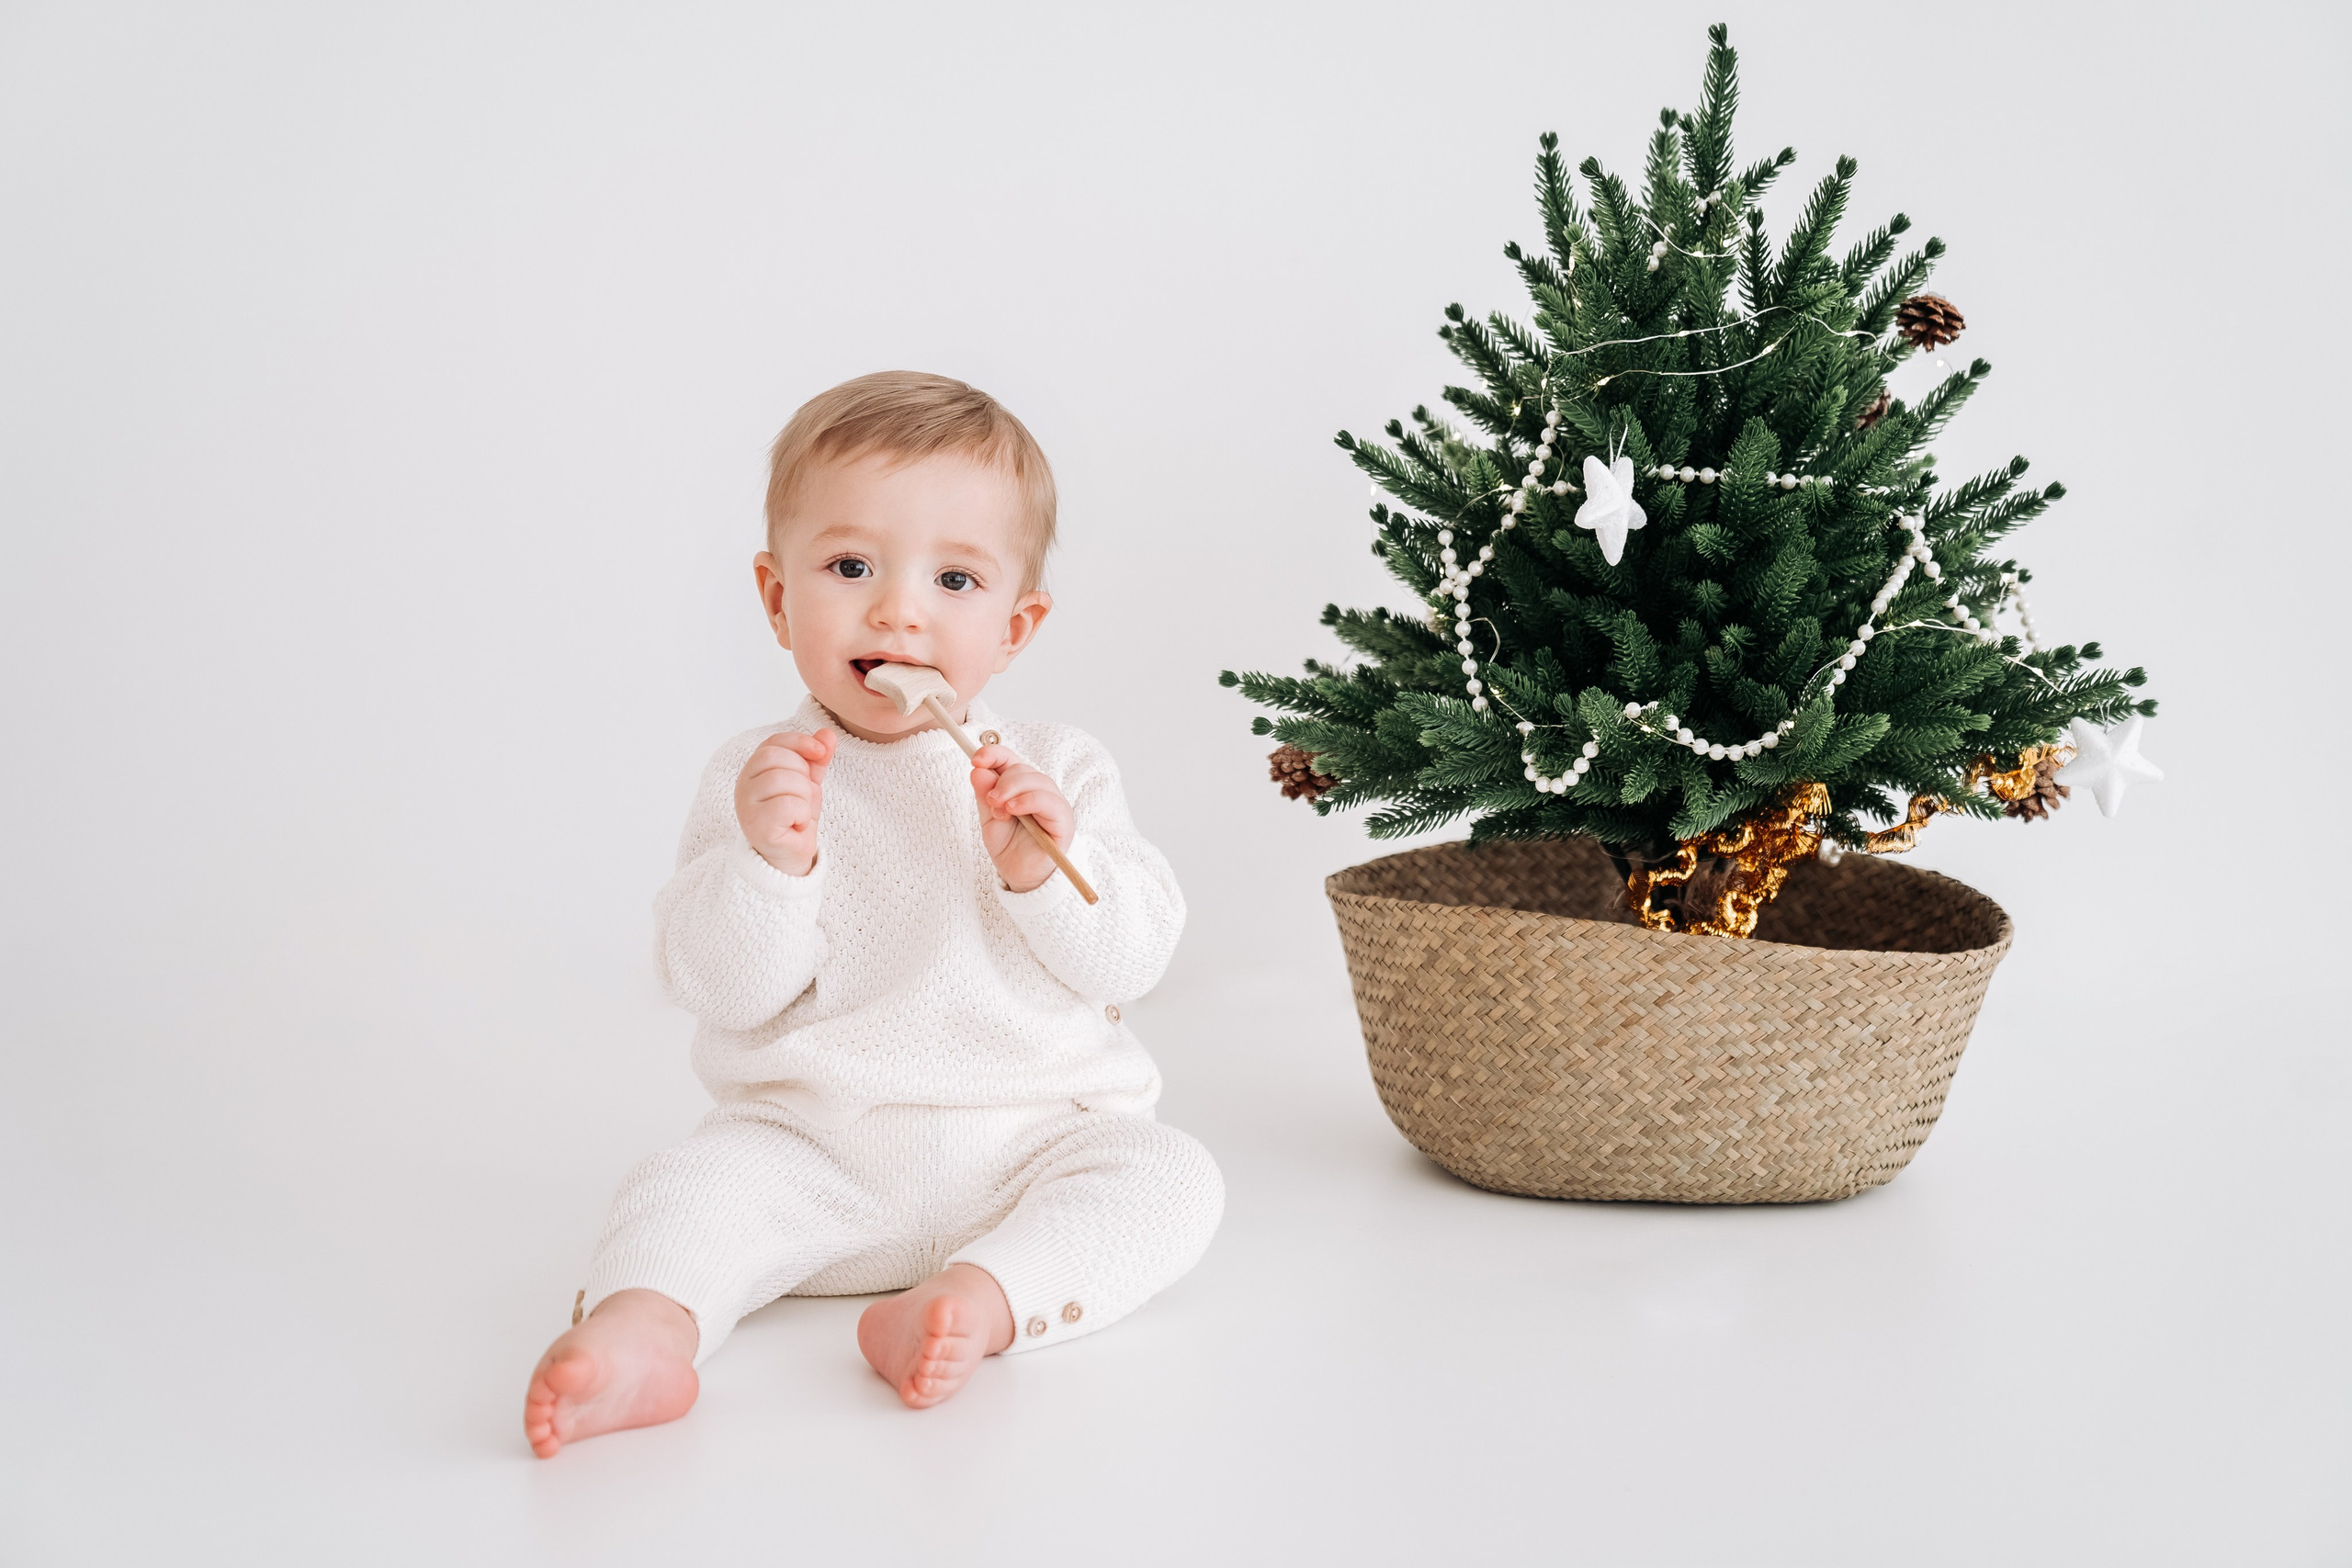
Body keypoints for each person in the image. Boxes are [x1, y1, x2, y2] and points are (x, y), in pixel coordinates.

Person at [523, 372, 1220, 1457]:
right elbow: (715, 986)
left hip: (1031, 1147)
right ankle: (646, 1332)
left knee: (1172, 1181)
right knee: (686, 1187)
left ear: (1017, 625)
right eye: (851, 567)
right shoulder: (760, 780)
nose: (898, 609)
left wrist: (1049, 867)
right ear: (775, 598)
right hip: (818, 1150)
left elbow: (1132, 957)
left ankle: (979, 1301)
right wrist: (771, 865)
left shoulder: (1056, 770)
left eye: (954, 578)